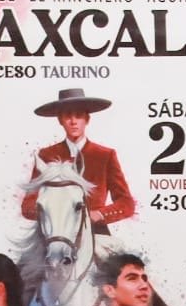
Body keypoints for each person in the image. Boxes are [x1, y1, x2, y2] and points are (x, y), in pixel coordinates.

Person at [19, 87, 136, 234]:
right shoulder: (46, 155)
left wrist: (99, 214)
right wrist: (52, 213)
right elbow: (28, 205)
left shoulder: (105, 155)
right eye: (68, 116)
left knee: (117, 250)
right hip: (53, 234)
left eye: (79, 116)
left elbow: (126, 203)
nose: (73, 121)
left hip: (94, 232)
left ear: (87, 119)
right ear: (60, 120)